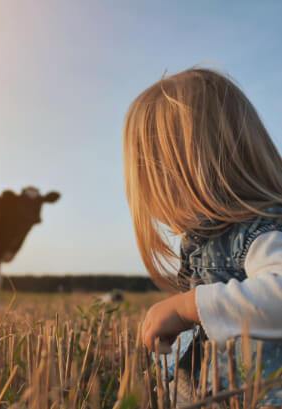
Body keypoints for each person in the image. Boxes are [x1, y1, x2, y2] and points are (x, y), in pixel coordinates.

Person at [122, 67, 282, 407]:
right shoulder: (203, 243)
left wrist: (188, 306)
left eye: (154, 178)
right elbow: (211, 332)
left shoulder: (260, 229)